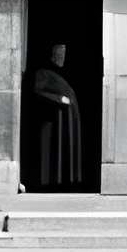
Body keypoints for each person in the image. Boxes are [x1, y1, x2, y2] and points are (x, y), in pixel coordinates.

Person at [30, 42, 83, 189]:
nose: (62, 57)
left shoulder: (62, 74)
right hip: (54, 118)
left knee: (66, 149)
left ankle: (66, 181)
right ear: (52, 55)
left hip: (67, 118)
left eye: (64, 54)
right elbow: (38, 90)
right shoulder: (43, 73)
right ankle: (51, 182)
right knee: (52, 151)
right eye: (59, 54)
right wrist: (60, 99)